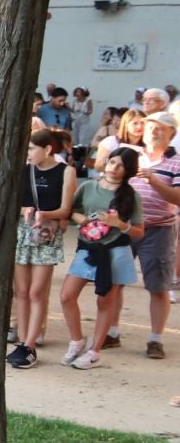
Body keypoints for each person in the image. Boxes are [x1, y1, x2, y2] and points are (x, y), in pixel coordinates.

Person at [60, 148, 143, 369]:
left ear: (128, 170)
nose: (115, 168)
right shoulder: (88, 186)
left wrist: (120, 225)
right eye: (112, 162)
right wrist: (82, 218)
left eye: (121, 165)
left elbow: (139, 231)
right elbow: (70, 210)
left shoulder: (131, 195)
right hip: (88, 248)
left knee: (105, 301)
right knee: (67, 295)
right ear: (106, 162)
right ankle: (77, 340)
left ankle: (95, 351)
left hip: (115, 251)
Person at [7, 128, 76, 369]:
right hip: (24, 232)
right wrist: (25, 210)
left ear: (47, 149)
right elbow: (14, 203)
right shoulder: (25, 171)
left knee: (37, 291)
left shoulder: (66, 172)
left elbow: (66, 209)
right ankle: (24, 342)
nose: (28, 153)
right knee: (22, 291)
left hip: (47, 233)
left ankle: (31, 344)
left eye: (32, 149)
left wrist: (45, 214)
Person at [126, 110, 180, 357]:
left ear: (172, 133)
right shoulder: (130, 156)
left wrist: (154, 181)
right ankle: (112, 333)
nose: (154, 131)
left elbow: (177, 199)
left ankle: (155, 339)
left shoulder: (177, 162)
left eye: (161, 128)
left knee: (158, 286)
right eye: (150, 126)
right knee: (113, 283)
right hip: (124, 227)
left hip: (159, 229)